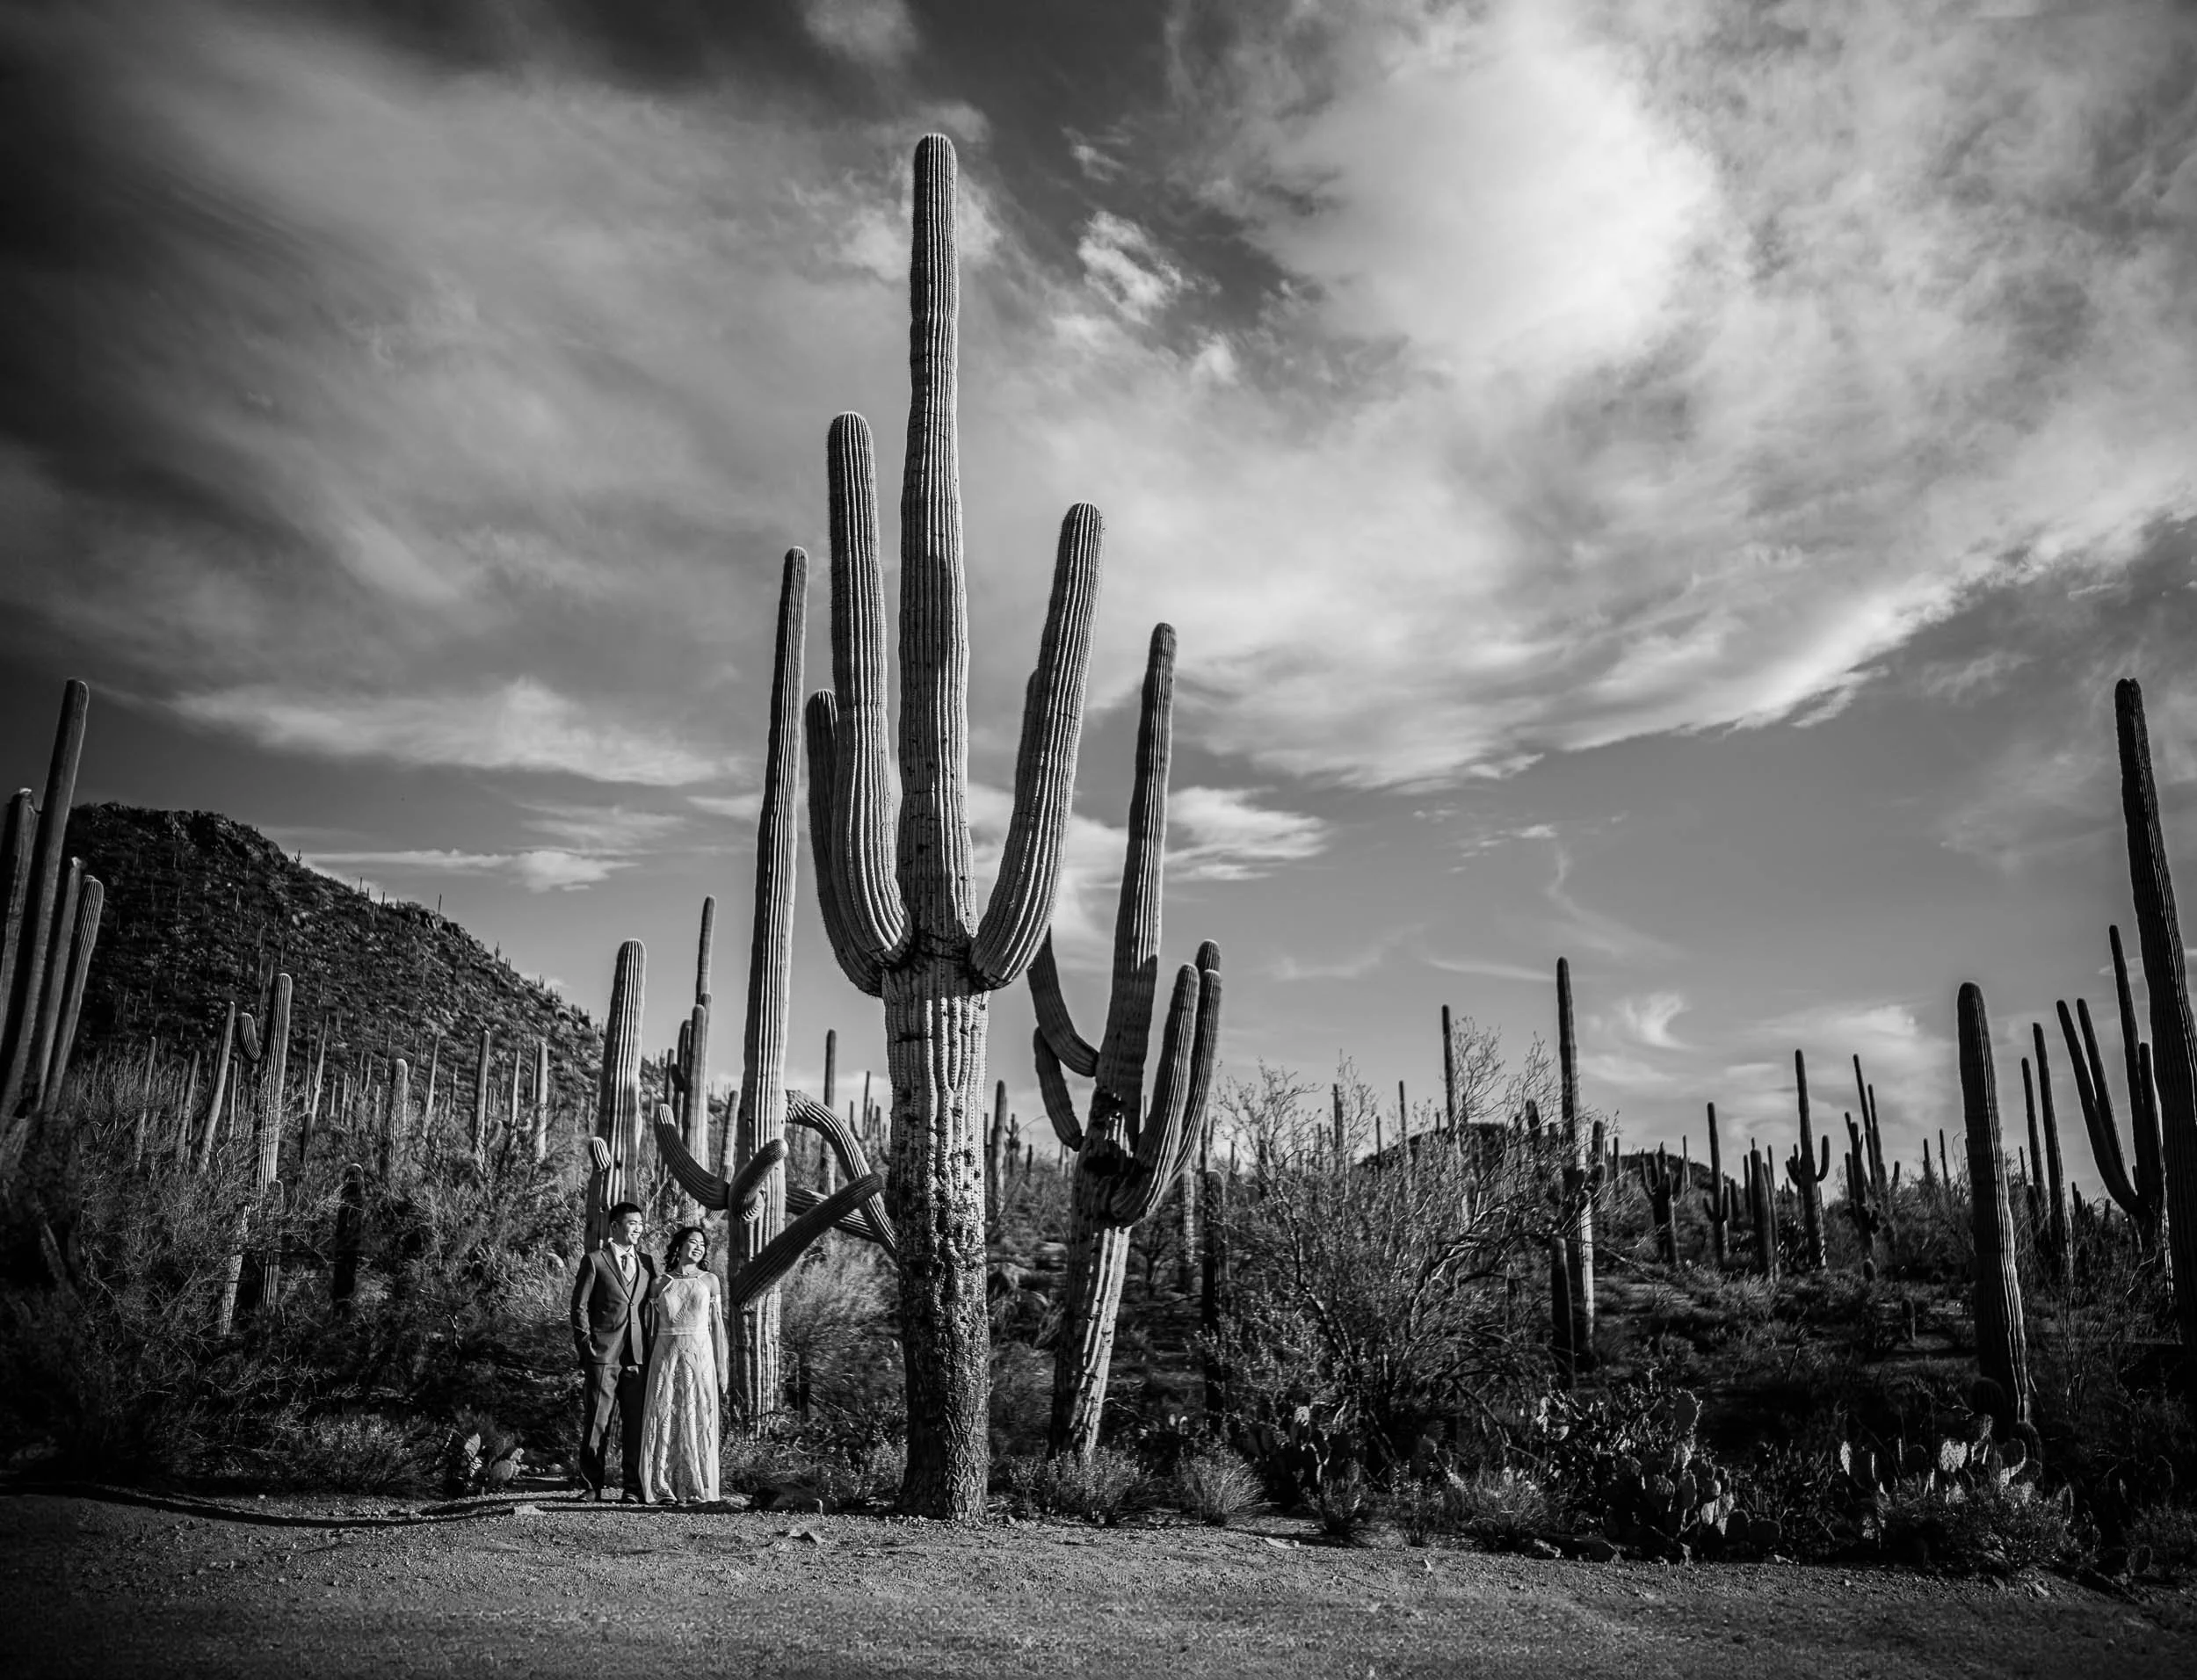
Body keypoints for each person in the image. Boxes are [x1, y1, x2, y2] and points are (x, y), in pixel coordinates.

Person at [635, 1224, 727, 1505]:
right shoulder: (660, 1283)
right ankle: (663, 1486)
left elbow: (717, 1327)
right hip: (666, 1354)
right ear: (679, 1246)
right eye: (692, 1242)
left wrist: (722, 1368)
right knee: (665, 1416)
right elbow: (650, 1330)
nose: (698, 1247)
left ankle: (696, 1486)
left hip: (700, 1357)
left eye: (702, 1244)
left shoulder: (710, 1281)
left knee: (698, 1415)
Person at [569, 1202, 655, 1502]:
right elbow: (578, 1307)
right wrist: (585, 1346)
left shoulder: (647, 1262)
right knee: (597, 1422)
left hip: (637, 1355)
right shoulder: (595, 1261)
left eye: (640, 1224)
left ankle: (632, 1488)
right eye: (632, 1223)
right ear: (615, 1226)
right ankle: (592, 1485)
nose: (638, 1228)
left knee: (635, 1425)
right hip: (603, 1354)